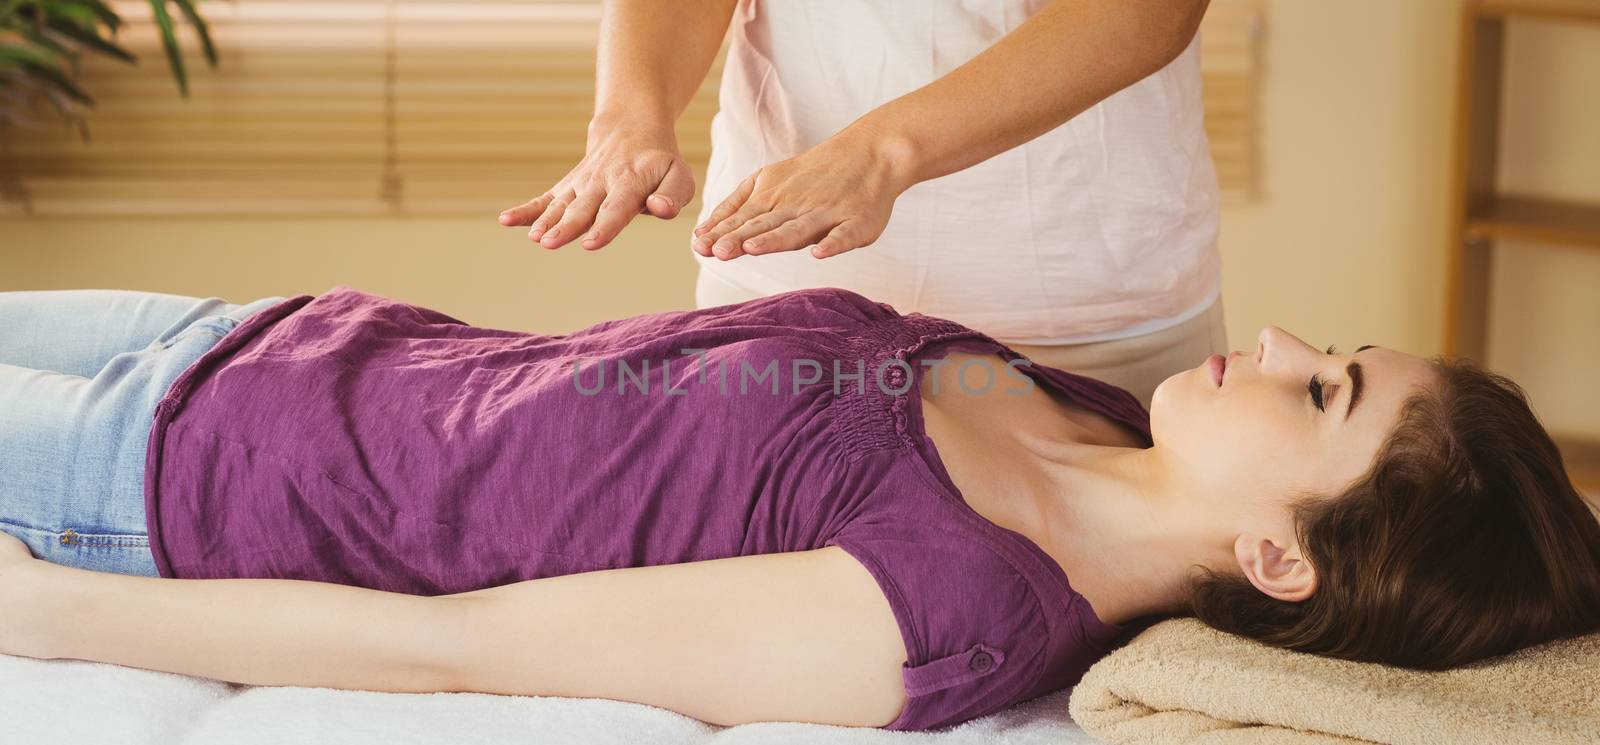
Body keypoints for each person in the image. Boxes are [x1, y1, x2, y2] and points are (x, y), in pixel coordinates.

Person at [1, 287, 1598, 732]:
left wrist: (52, 612)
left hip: (154, 485)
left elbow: (464, 648)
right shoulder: (1100, 413)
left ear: (1278, 556)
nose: (1289, 345)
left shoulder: (954, 606)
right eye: (1339, 350)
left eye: (1327, 393)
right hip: (251, 341)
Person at [497, 0, 1223, 411]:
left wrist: (882, 152)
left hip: (1093, 311)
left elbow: (1144, 13)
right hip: (784, 300)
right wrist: (629, 118)